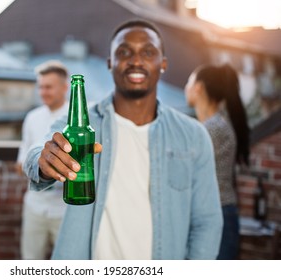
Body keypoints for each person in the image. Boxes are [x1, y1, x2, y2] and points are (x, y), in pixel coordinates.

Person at [23, 19, 223, 260]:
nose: (136, 60)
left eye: (148, 52)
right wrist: (45, 162)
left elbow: (207, 222)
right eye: (124, 52)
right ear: (110, 63)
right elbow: (36, 152)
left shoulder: (192, 135)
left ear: (163, 63)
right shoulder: (81, 124)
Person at [185, 64, 250, 259]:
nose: (185, 87)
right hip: (215, 215)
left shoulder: (213, 129)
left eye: (189, 81)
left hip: (216, 217)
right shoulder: (212, 126)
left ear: (198, 87)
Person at [15, 61, 69, 259]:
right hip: (35, 206)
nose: (43, 92)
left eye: (48, 87)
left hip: (66, 210)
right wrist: (36, 169)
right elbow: (21, 162)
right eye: (40, 87)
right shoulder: (32, 118)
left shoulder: (78, 119)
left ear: (64, 87)